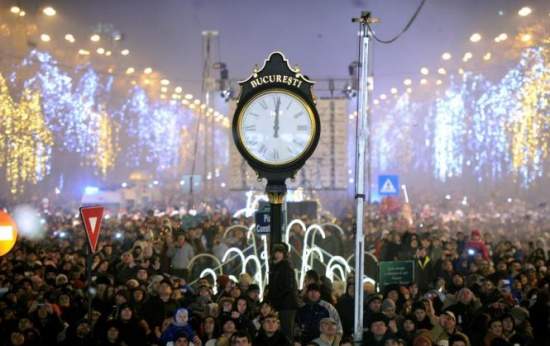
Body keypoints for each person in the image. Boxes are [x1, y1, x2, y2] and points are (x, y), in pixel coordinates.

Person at [265, 243, 299, 339]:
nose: (278, 254)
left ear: (284, 254)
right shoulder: (274, 267)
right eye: (276, 252)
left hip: (287, 304)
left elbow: (288, 287)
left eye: (280, 252)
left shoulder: (286, 267)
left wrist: (275, 298)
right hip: (279, 303)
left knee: (286, 331)